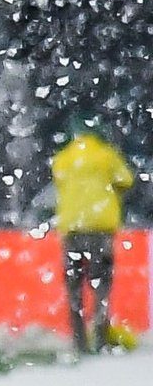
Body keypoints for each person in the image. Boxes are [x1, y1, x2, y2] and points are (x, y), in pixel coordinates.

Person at [48, 123, 131, 357]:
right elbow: (125, 180)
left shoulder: (64, 158)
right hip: (99, 228)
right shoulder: (107, 155)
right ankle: (101, 338)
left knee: (74, 288)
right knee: (101, 286)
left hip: (73, 228)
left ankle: (78, 341)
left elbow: (58, 179)